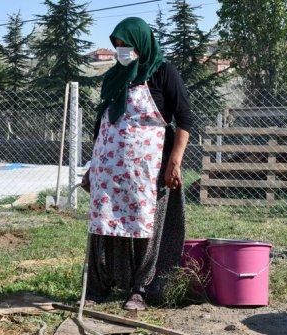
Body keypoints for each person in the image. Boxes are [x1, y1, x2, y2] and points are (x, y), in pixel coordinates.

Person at [81, 17, 192, 310]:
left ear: (141, 43)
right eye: (117, 45)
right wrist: (92, 166)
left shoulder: (163, 72)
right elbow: (100, 124)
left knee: (144, 224)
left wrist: (175, 162)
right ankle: (99, 285)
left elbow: (185, 121)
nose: (121, 50)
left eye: (126, 44)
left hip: (148, 167)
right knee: (103, 222)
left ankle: (140, 289)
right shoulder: (114, 76)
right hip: (109, 165)